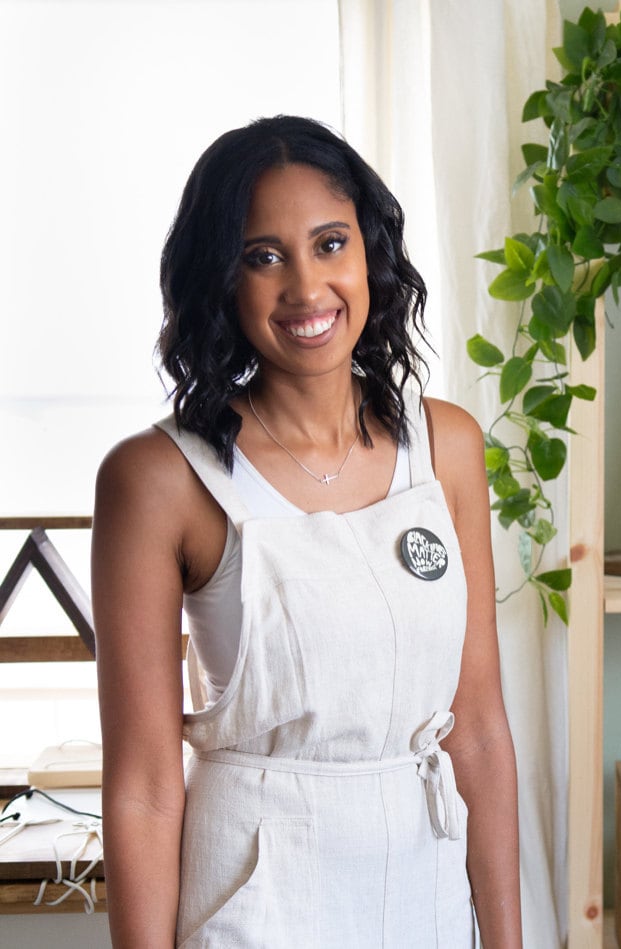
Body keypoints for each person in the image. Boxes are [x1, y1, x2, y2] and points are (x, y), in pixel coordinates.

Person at [92, 115, 522, 947]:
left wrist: (504, 939)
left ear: (371, 254)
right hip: (256, 900)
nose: (305, 287)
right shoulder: (158, 479)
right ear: (220, 279)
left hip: (423, 893)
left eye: (330, 243)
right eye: (263, 256)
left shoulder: (448, 447)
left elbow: (477, 728)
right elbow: (143, 786)